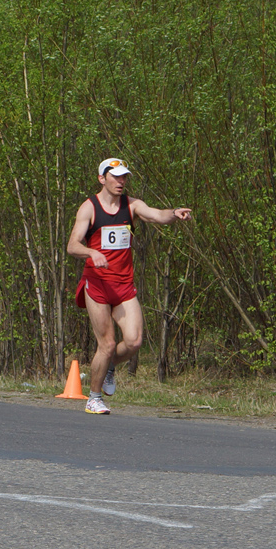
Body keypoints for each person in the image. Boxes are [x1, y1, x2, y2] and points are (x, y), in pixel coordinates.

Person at [65, 158, 191, 415]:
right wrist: (91, 253)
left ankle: (108, 367)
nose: (121, 181)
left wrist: (174, 213)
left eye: (124, 177)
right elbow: (72, 245)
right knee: (108, 343)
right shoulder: (89, 208)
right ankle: (94, 398)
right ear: (102, 179)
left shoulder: (132, 205)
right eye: (116, 177)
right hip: (98, 285)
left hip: (123, 286)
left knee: (134, 342)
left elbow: (157, 215)